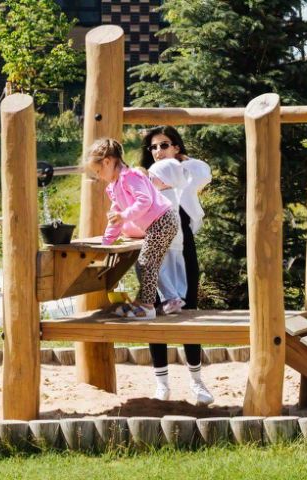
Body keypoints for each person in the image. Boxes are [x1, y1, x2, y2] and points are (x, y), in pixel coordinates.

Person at [141, 126, 214, 405]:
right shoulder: (146, 182)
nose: (158, 151)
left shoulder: (185, 178)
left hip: (185, 251)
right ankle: (162, 384)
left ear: (176, 147)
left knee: (189, 312)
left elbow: (204, 172)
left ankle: (197, 382)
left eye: (164, 145)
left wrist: (182, 160)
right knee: (154, 314)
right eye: (153, 147)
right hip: (155, 252)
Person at [84, 138, 178, 320]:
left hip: (163, 220)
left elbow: (145, 201)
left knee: (146, 263)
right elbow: (115, 218)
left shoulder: (131, 176)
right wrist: (106, 243)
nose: (99, 176)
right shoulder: (114, 186)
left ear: (107, 162)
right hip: (156, 224)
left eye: (98, 171)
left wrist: (124, 215)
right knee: (145, 263)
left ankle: (147, 307)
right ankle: (142, 303)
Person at [148, 158, 188, 314]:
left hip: (164, 239)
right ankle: (176, 298)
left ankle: (172, 298)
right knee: (173, 270)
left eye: (152, 177)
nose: (149, 180)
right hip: (175, 239)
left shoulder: (160, 196)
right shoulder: (172, 194)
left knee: (155, 267)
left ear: (164, 180)